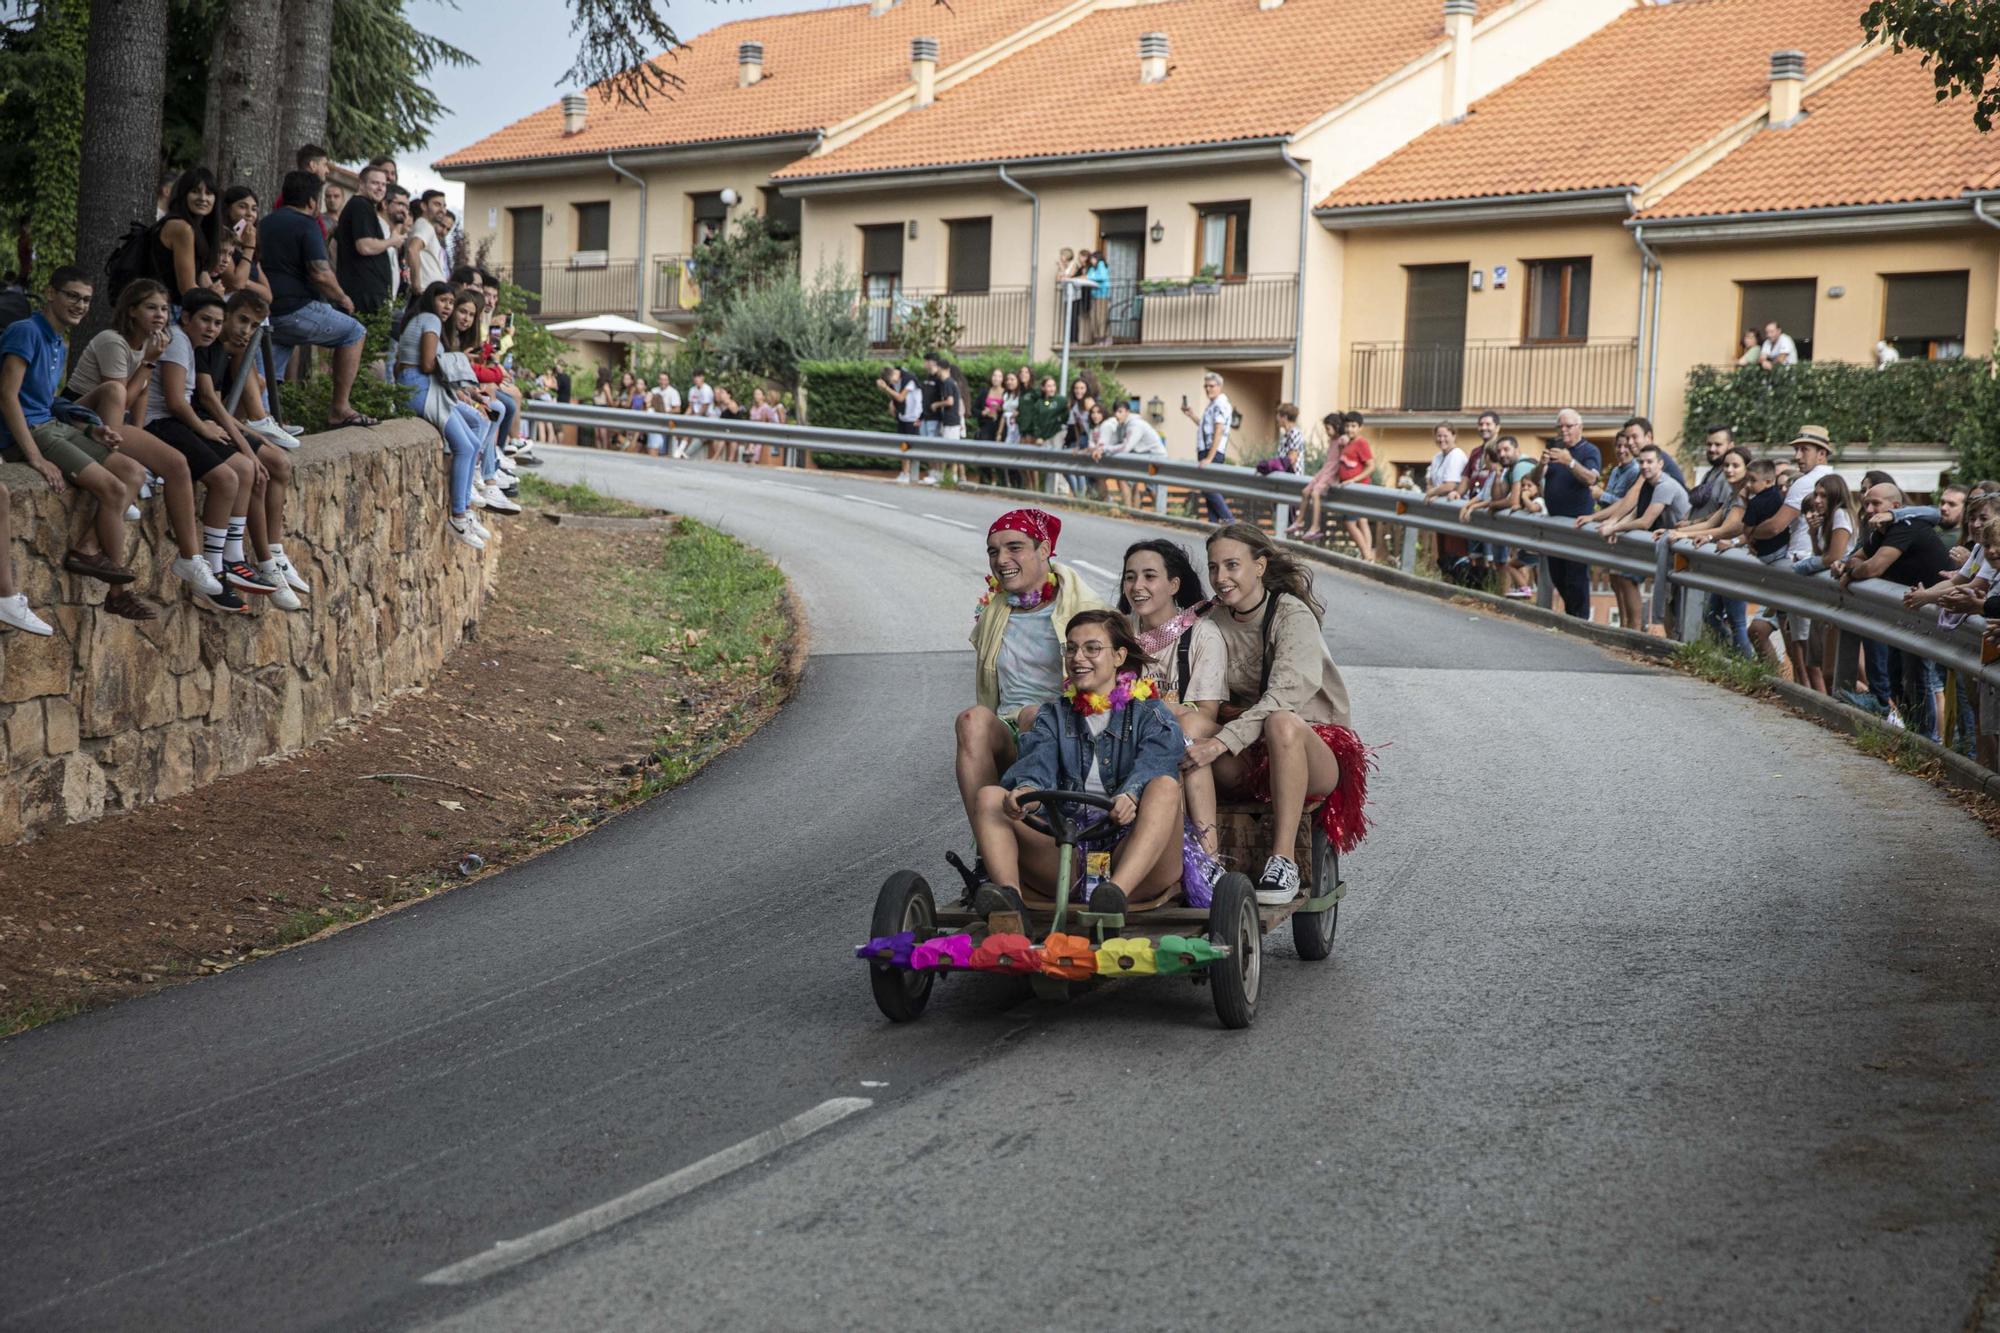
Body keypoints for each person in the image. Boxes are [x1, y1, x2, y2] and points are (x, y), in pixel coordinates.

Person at [969, 609, 1194, 924]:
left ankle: (1113, 895)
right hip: (1067, 852)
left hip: (1135, 855)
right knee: (989, 797)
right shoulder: (1053, 716)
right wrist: (1026, 791)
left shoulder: (1151, 714)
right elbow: (1037, 763)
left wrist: (1131, 795)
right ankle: (1010, 905)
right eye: (1071, 648)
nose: (1078, 657)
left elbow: (1158, 762)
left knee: (1164, 786)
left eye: (1092, 648)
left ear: (1119, 656)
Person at [1184, 523, 1368, 905]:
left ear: (1260, 566)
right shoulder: (1208, 618)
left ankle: (1282, 860)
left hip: (1310, 744)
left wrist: (1220, 743)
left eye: (1232, 565)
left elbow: (1284, 698)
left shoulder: (1290, 614)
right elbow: (1152, 639)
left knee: (1280, 721)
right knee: (1187, 725)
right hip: (1247, 743)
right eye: (1214, 568)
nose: (1221, 578)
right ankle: (1204, 859)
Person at [64, 278, 229, 608]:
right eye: (151, 307)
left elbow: (138, 402)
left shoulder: (149, 344)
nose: (160, 315)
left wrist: (139, 439)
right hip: (81, 419)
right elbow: (120, 397)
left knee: (175, 463)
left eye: (165, 308)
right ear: (131, 310)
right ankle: (184, 558)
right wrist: (150, 362)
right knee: (166, 464)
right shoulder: (113, 341)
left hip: (113, 422)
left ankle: (190, 557)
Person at [955, 508, 1106, 835]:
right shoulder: (997, 608)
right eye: (993, 551)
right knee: (972, 720)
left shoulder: (1084, 608)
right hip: (1010, 725)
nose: (1001, 559)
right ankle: (987, 839)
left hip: (1067, 728)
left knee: (1036, 716)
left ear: (1044, 550)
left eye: (1014, 547)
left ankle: (1038, 835)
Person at [0, 267, 149, 592]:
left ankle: (88, 551)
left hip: (52, 426)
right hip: (30, 434)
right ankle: (119, 591)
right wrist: (35, 458)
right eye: (72, 296)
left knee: (134, 473)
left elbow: (46, 400)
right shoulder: (25, 331)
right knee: (113, 488)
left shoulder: (58, 341)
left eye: (86, 300)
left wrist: (88, 427)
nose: (80, 305)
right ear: (51, 293)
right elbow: (7, 396)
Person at [144, 289, 274, 612]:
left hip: (176, 422)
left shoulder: (191, 344)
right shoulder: (176, 340)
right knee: (227, 479)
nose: (212, 328)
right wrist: (203, 429)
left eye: (217, 323)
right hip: (160, 424)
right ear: (186, 317)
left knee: (243, 470)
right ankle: (213, 570)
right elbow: (175, 401)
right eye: (205, 320)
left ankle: (227, 560)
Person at [1120, 539, 1225, 853]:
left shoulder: (1202, 635)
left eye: (1150, 576)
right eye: (1129, 577)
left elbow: (1206, 715)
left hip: (1190, 737)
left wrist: (1158, 713)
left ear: (1174, 584)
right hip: (1129, 737)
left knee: (1184, 733)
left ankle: (1207, 858)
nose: (1137, 586)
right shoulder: (1118, 633)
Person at [1835, 482, 1950, 738]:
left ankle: (1926, 740)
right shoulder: (1879, 532)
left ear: (1895, 507)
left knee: (1918, 679)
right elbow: (1857, 557)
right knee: (1897, 677)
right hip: (1908, 614)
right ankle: (1913, 736)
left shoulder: (1905, 526)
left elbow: (1872, 567)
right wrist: (1853, 567)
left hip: (1934, 614)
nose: (1868, 509)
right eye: (1866, 503)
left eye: (1876, 503)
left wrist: (1852, 572)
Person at [261, 171, 373, 429]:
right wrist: (342, 298)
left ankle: (265, 420)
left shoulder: (265, 223)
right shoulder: (307, 223)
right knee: (354, 332)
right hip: (295, 308)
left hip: (266, 311)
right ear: (312, 201)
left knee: (264, 373)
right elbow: (320, 272)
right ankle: (340, 409)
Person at [394, 280, 489, 550]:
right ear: (431, 301)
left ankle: (466, 507)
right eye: (443, 301)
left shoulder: (421, 318)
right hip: (420, 387)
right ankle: (458, 516)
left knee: (472, 438)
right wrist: (457, 365)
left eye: (450, 302)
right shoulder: (431, 321)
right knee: (464, 445)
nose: (447, 307)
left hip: (418, 384)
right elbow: (426, 363)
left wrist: (466, 389)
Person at [1534, 408, 1603, 618]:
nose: (1564, 430)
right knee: (1558, 576)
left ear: (1580, 427)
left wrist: (1569, 462)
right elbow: (1535, 480)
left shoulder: (1590, 451)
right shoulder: (1555, 448)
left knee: (1576, 578)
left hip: (1576, 525)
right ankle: (1571, 616)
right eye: (1560, 426)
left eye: (1569, 426)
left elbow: (1591, 479)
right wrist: (1541, 464)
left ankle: (1579, 620)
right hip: (1555, 524)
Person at [332, 165, 400, 317]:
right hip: (365, 295)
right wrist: (392, 241)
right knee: (369, 339)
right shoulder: (361, 206)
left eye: (383, 184)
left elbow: (333, 246)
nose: (380, 188)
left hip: (360, 290)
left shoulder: (358, 206)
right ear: (361, 184)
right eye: (375, 183)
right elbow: (365, 246)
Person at [150, 168, 223, 301]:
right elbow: (187, 289)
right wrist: (212, 296)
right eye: (195, 191)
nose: (203, 198)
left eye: (209, 193)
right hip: (169, 311)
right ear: (183, 194)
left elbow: (200, 273)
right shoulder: (182, 228)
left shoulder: (197, 227)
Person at [1092, 398, 1166, 508]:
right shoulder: (1122, 425)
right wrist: (1101, 447)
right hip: (1143, 457)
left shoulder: (1135, 425)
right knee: (1132, 482)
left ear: (1127, 412)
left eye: (1121, 411)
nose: (1117, 414)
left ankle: (1131, 511)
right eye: (1116, 412)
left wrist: (1104, 449)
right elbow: (1116, 442)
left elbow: (1125, 447)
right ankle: (1134, 511)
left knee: (1147, 487)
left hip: (1154, 459)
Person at [1181, 371, 1234, 522]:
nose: (1208, 389)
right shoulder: (1213, 405)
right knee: (1208, 493)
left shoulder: (1220, 404)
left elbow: (1219, 429)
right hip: (1207, 452)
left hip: (1212, 453)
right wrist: (1191, 415)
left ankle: (1231, 522)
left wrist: (1209, 458)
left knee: (1209, 489)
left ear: (1220, 386)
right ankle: (1214, 528)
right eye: (1206, 386)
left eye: (1211, 386)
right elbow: (1206, 428)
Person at [879, 365, 924, 482]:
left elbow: (900, 397)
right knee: (903, 445)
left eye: (892, 380)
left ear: (894, 374)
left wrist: (886, 389)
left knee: (912, 445)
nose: (893, 383)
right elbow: (895, 397)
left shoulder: (909, 379)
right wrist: (891, 403)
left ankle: (913, 473)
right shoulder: (895, 381)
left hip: (914, 417)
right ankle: (905, 472)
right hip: (902, 416)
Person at [406, 190, 451, 292]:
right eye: (437, 204)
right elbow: (412, 249)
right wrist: (416, 285)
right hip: (426, 291)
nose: (442, 210)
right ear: (424, 206)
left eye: (444, 206)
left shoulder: (426, 226)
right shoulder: (424, 225)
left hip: (430, 292)